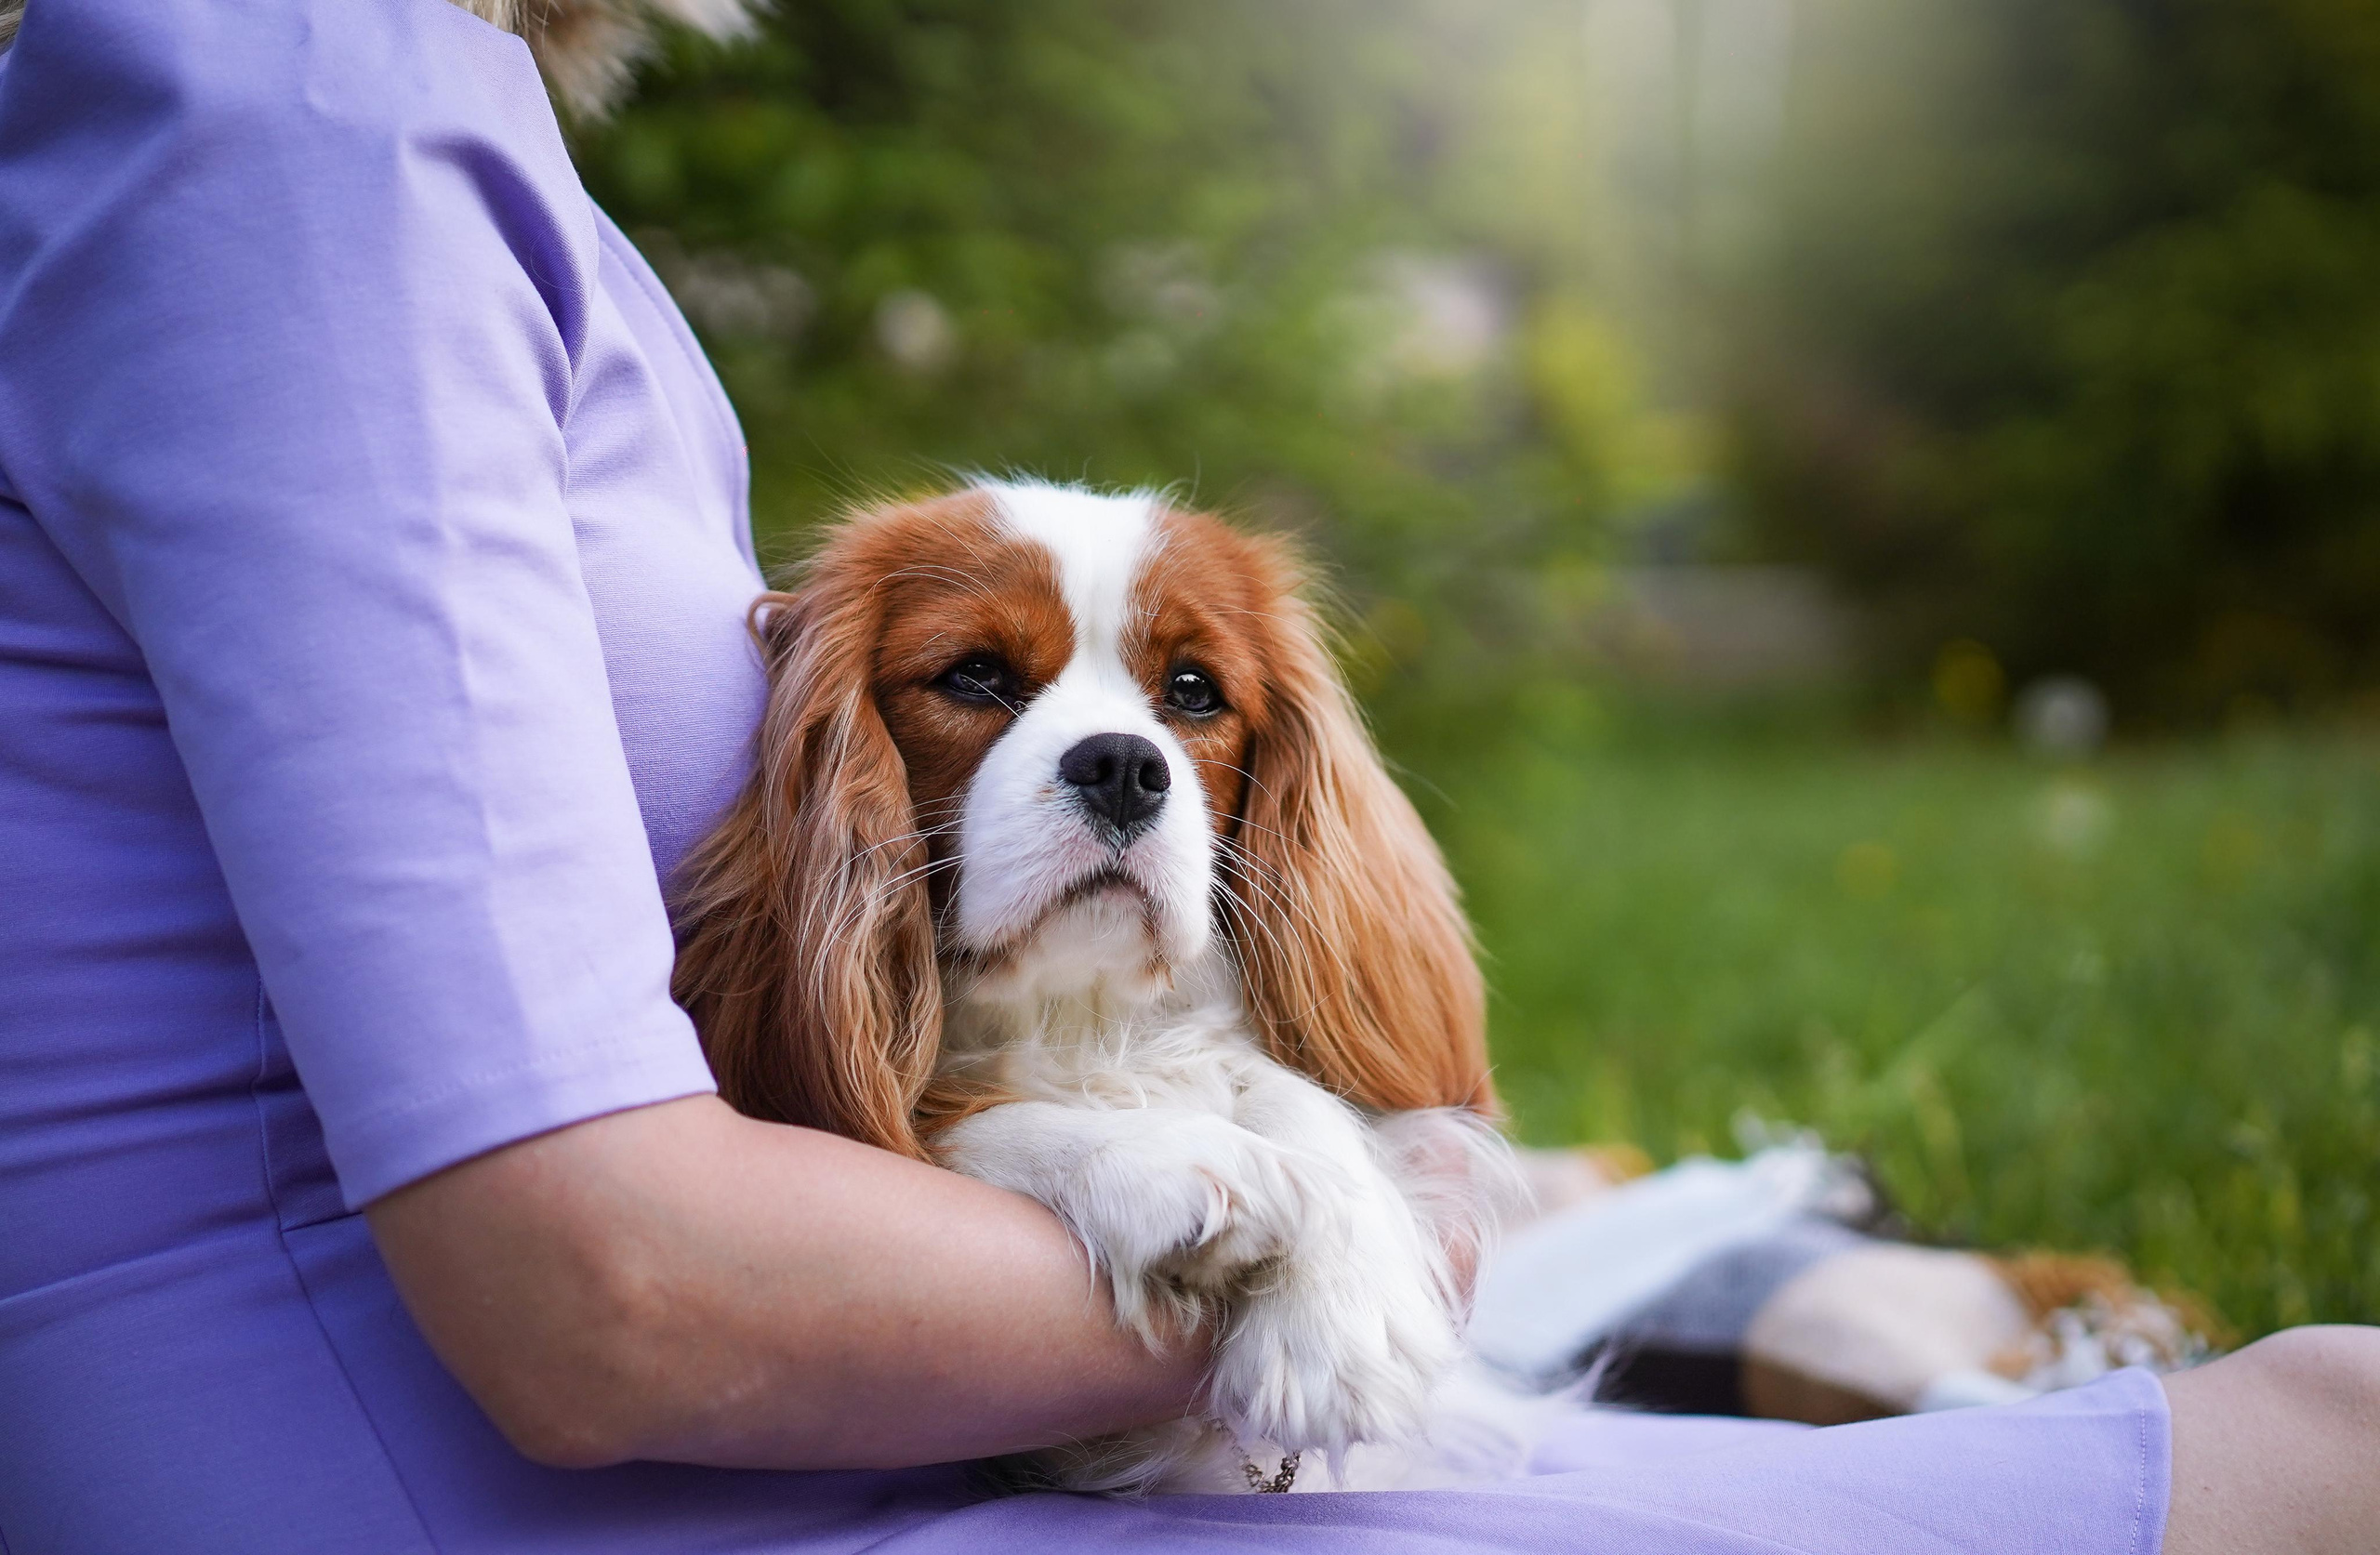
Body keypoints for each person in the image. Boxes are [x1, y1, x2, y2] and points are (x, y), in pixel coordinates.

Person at [0, 2, 2373, 1551]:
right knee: (2306, 1459)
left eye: (1169, 706)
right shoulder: (291, 104)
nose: (1106, 747)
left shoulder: (431, 121)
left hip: (844, 1432)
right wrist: (1381, 1236)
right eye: (983, 683)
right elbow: (608, 1287)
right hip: (518, 1492)